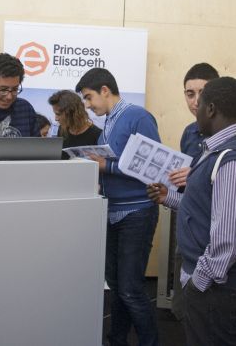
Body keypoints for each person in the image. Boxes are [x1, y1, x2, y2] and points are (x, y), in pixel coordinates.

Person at [147, 77, 236, 346]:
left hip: (217, 291)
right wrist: (168, 197)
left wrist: (198, 282)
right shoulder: (217, 150)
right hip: (211, 286)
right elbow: (207, 208)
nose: (195, 107)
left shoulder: (235, 161)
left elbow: (228, 238)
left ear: (211, 109)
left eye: (201, 102)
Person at [75, 68, 160, 346]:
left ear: (104, 90)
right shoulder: (107, 125)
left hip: (137, 211)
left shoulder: (138, 116)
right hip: (113, 213)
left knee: (131, 289)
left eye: (89, 98)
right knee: (118, 286)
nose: (87, 105)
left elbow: (153, 167)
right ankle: (117, 340)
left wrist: (106, 165)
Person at [167, 62, 219, 323]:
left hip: (214, 232)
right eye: (190, 93)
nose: (196, 100)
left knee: (207, 312)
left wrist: (197, 174)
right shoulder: (189, 132)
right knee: (183, 308)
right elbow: (186, 184)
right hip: (187, 223)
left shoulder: (228, 133)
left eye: (203, 92)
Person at [48, 90, 101, 159]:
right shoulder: (59, 131)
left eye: (58, 114)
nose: (56, 119)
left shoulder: (97, 135)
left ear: (72, 113)